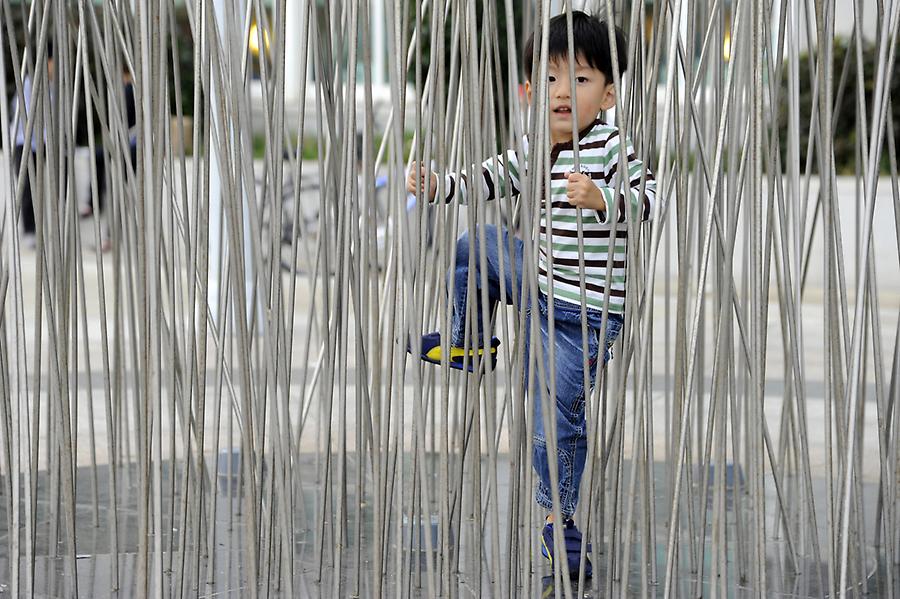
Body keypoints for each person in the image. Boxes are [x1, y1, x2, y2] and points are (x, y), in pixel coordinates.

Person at [406, 11, 657, 579]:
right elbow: (490, 177)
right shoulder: (535, 145)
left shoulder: (611, 149)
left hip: (584, 316)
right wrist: (440, 184)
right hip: (539, 282)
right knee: (476, 244)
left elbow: (651, 199)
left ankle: (560, 523)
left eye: (581, 79)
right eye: (549, 79)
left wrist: (603, 198)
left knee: (557, 424)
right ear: (530, 88)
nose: (562, 91)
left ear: (610, 94)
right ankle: (470, 341)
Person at [11, 48, 54, 245]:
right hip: (25, 143)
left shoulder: (52, 86)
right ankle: (29, 231)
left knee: (41, 186)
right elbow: (30, 118)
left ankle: (39, 228)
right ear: (48, 62)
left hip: (42, 144)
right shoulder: (30, 83)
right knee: (28, 186)